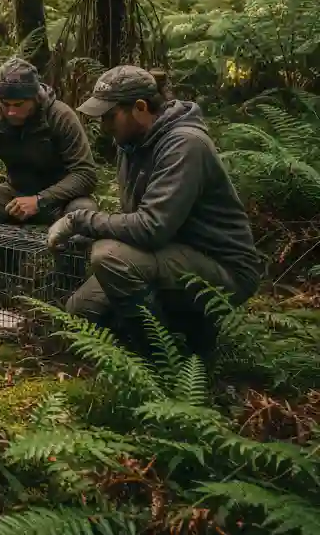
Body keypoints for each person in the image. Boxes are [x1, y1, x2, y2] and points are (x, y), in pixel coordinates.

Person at [47, 66, 262, 342]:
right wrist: (86, 235)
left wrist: (80, 221)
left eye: (110, 116)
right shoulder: (131, 145)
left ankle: (163, 355)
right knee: (80, 312)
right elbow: (134, 218)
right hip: (168, 252)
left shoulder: (185, 145)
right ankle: (174, 323)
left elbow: (150, 228)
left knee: (110, 257)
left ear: (140, 107)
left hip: (220, 266)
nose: (104, 127)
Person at [0, 56, 98, 227]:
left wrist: (40, 200)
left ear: (35, 98)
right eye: (5, 104)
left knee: (83, 214)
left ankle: (62, 253)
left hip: (60, 199)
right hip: (15, 194)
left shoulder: (60, 116)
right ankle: (3, 253)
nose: (11, 112)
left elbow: (85, 174)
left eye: (19, 104)